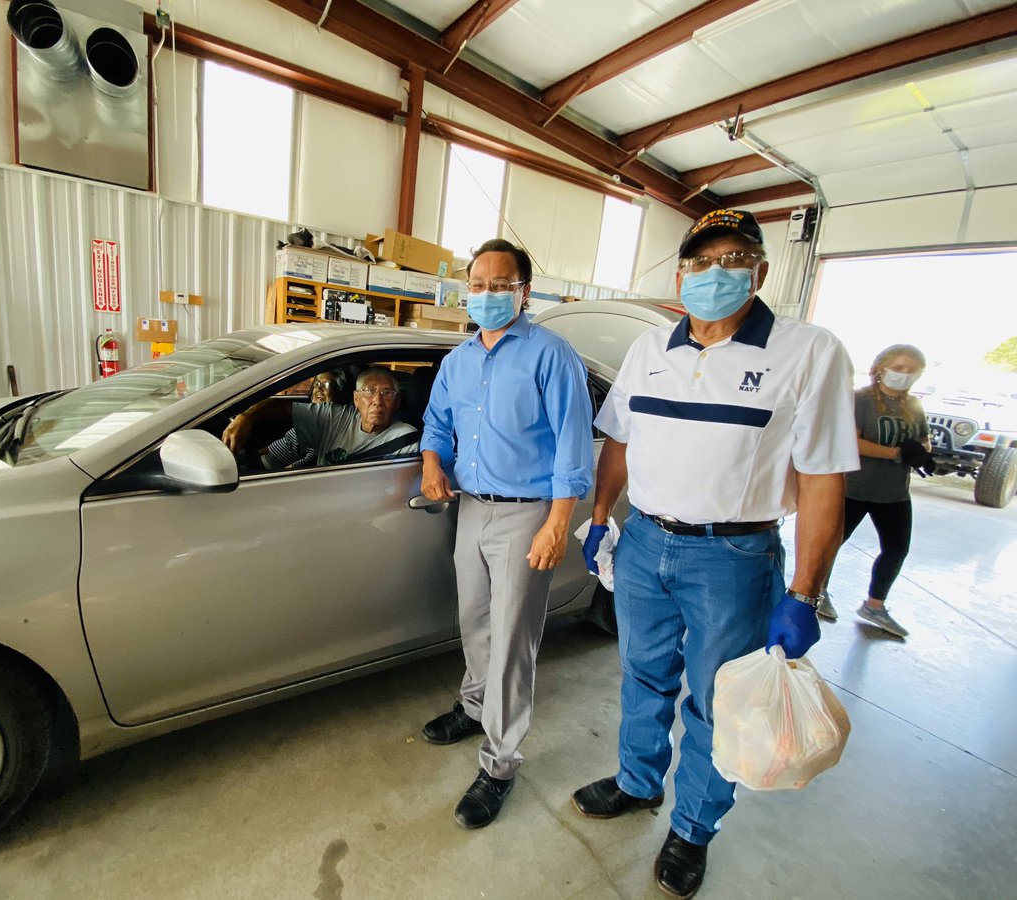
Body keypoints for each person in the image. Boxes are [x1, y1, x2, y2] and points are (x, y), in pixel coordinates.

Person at [571, 209, 859, 898]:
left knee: (716, 701)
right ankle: (639, 783)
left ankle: (693, 828)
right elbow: (621, 440)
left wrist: (805, 592)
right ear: (681, 273)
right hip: (644, 543)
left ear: (760, 271)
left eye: (733, 259)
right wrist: (601, 518)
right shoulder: (650, 348)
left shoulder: (809, 352)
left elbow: (824, 480)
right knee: (642, 676)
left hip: (732, 557)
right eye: (700, 262)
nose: (714, 274)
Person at [419, 238, 594, 829]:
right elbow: (438, 422)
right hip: (472, 507)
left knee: (514, 638)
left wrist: (557, 523)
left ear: (523, 291)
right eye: (479, 284)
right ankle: (473, 707)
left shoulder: (552, 355)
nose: (488, 295)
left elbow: (572, 444)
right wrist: (430, 463)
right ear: (465, 289)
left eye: (501, 284)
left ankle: (498, 763)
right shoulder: (458, 360)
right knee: (474, 620)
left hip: (528, 512)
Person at [819, 344, 931, 638]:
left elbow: (923, 441)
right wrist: (896, 453)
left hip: (894, 492)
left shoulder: (913, 406)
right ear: (881, 368)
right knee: (832, 542)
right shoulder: (861, 401)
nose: (904, 375)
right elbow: (852, 441)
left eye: (911, 370)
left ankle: (875, 604)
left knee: (896, 549)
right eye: (899, 368)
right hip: (854, 486)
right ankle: (817, 591)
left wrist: (919, 452)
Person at [222, 367, 417, 465]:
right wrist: (245, 418)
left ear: (397, 402)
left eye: (387, 393)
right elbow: (279, 408)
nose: (377, 400)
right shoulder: (336, 417)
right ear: (356, 399)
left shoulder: (407, 440)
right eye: (369, 391)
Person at [259, 370, 350, 469]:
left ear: (339, 393)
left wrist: (272, 478)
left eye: (326, 384)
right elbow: (278, 444)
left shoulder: (328, 424)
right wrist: (254, 455)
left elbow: (307, 462)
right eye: (317, 383)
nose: (319, 388)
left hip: (270, 470)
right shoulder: (309, 415)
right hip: (261, 461)